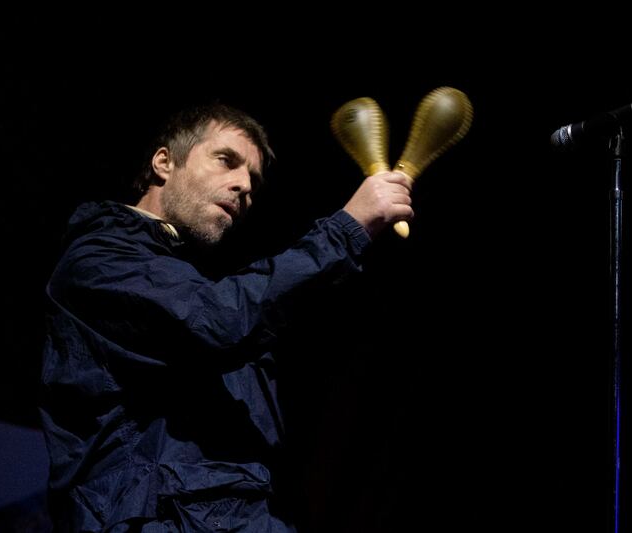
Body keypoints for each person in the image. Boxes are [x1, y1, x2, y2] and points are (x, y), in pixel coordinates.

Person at [39, 102, 413, 532]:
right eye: (226, 161)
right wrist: (349, 227)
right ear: (164, 162)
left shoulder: (195, 282)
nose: (243, 186)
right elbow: (217, 320)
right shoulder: (99, 260)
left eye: (253, 180)